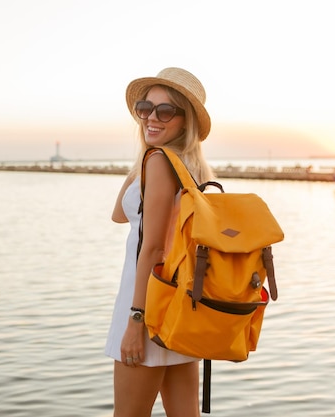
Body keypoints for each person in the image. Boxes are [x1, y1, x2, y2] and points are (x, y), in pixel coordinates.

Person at [104, 67, 214, 417]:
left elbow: (150, 248)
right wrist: (146, 153)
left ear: (186, 121)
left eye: (164, 111)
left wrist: (136, 320)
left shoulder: (160, 165)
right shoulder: (185, 167)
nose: (151, 117)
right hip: (178, 308)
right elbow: (120, 214)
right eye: (144, 107)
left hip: (147, 309)